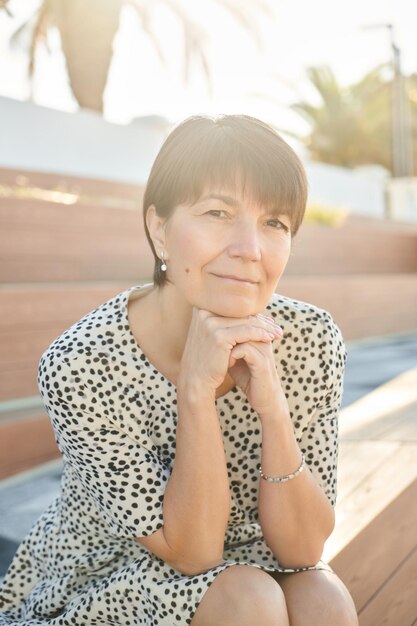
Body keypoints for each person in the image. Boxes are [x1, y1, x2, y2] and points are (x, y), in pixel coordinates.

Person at [0, 114, 358, 626]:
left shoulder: (309, 339)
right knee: (248, 602)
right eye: (217, 212)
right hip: (111, 577)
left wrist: (273, 411)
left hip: (256, 564)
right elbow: (192, 552)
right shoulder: (82, 364)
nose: (249, 248)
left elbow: (302, 548)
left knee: (323, 601)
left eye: (274, 223)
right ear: (159, 228)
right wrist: (195, 390)